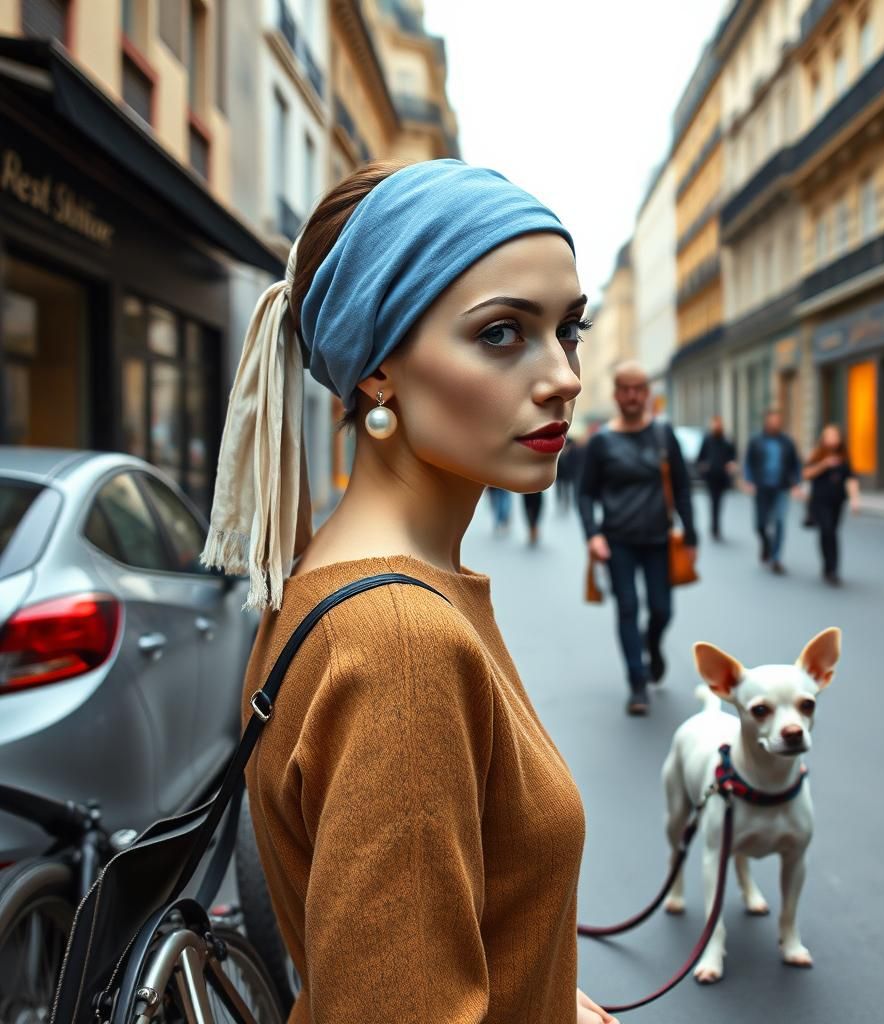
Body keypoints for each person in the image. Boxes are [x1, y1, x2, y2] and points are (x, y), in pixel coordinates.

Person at [200, 160, 617, 1024]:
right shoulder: (399, 638)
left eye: (567, 330)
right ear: (378, 368)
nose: (565, 378)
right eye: (501, 333)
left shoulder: (341, 576)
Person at [577, 361, 698, 716]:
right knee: (627, 608)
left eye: (638, 389)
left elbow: (682, 487)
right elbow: (585, 494)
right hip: (618, 542)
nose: (632, 396)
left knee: (662, 609)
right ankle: (637, 683)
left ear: (647, 394)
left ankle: (653, 645)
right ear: (616, 395)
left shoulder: (663, 435)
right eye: (625, 389)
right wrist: (592, 535)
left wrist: (691, 535)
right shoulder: (601, 443)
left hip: (659, 539)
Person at [743, 408, 801, 575]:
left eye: (778, 420)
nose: (776, 423)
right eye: (773, 420)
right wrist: (749, 481)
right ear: (767, 422)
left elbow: (795, 464)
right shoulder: (756, 441)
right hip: (762, 487)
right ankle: (766, 544)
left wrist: (796, 483)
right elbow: (748, 462)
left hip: (781, 487)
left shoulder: (787, 442)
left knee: (780, 521)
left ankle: (776, 558)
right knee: (760, 524)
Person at [803, 423, 861, 585]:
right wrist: (824, 464)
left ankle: (833, 568)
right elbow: (806, 474)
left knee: (833, 532)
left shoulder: (844, 458)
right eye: (829, 436)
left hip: (837, 501)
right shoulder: (817, 455)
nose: (832, 439)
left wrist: (855, 500)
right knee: (826, 530)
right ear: (823, 439)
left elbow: (851, 479)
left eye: (835, 436)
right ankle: (829, 568)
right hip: (819, 501)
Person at [696, 415, 737, 540]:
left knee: (718, 502)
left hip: (722, 477)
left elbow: (732, 457)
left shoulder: (726, 441)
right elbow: (700, 457)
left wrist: (731, 465)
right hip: (711, 477)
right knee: (713, 502)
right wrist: (703, 466)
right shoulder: (707, 440)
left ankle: (716, 526)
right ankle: (714, 527)